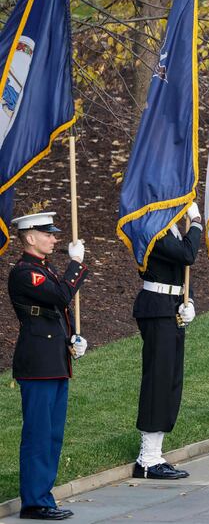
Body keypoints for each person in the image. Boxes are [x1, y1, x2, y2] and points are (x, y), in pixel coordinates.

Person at [8, 212, 88, 521]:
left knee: (52, 434)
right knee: (39, 435)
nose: (55, 238)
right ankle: (34, 502)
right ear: (30, 237)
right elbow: (61, 295)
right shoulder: (26, 272)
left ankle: (44, 496)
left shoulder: (45, 268)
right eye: (48, 233)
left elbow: (56, 311)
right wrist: (77, 264)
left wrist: (72, 338)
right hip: (38, 363)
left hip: (54, 360)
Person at [131, 202, 202, 480]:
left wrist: (189, 300)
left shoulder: (168, 227)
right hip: (157, 306)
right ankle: (147, 459)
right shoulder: (150, 227)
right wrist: (195, 221)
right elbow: (187, 255)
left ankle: (156, 453)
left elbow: (181, 270)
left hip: (171, 304)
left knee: (171, 380)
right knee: (158, 380)